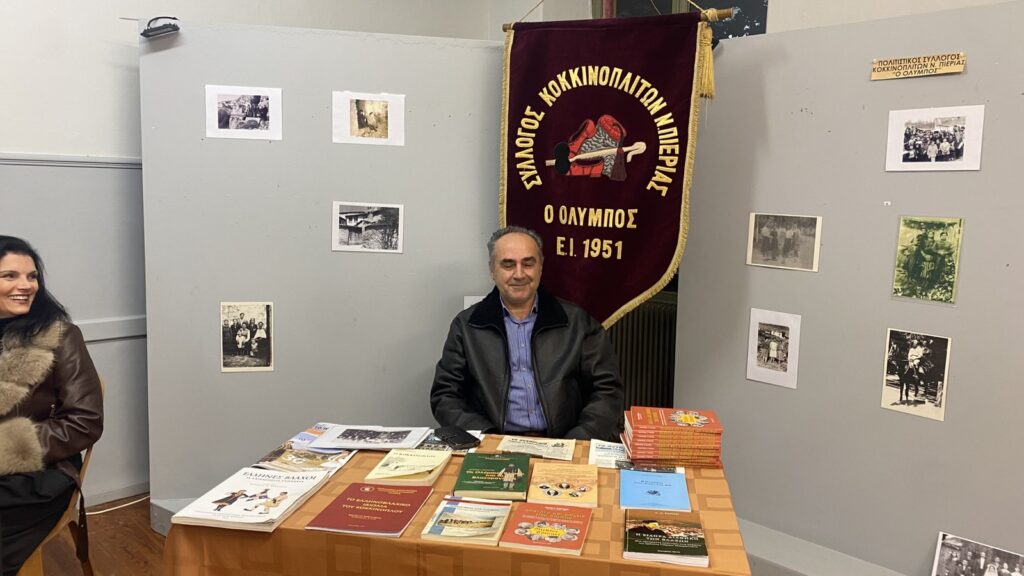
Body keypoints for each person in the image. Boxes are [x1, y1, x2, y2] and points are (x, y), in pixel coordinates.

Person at [430, 226, 624, 441]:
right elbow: (446, 396)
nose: (519, 274)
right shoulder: (467, 327)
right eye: (508, 264)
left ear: (540, 267)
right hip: (492, 445)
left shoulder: (578, 323)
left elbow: (607, 391)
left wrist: (580, 439)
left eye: (528, 263)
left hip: (565, 443)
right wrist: (487, 439)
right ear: (492, 270)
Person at [0, 236, 103, 576]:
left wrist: (7, 448)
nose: (25, 285)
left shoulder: (61, 336)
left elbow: (85, 421)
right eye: (10, 276)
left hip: (39, 472)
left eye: (32, 276)